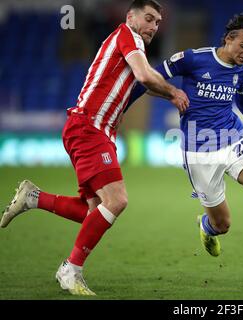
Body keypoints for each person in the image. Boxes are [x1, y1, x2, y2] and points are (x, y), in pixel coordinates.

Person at [0, 0, 189, 296]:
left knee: (95, 210)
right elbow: (144, 76)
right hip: (90, 127)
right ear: (131, 16)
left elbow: (145, 83)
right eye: (149, 18)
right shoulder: (128, 35)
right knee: (117, 201)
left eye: (157, 23)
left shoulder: (129, 47)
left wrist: (168, 95)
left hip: (93, 129)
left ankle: (33, 198)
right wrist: (175, 91)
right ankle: (70, 269)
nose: (153, 26)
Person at [130, 14, 243, 271]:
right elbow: (147, 80)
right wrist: (168, 95)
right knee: (223, 225)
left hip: (233, 140)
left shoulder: (240, 71)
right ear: (229, 39)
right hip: (199, 151)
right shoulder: (193, 59)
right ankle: (206, 226)